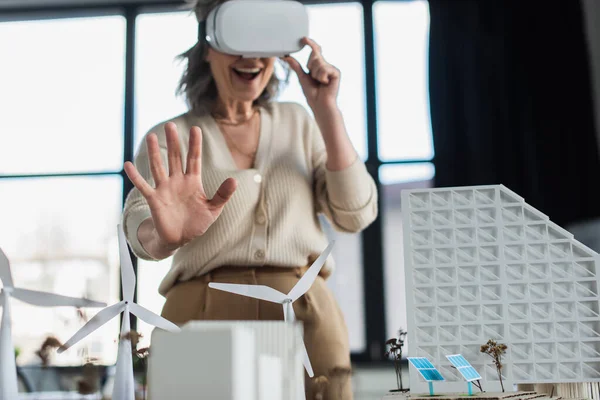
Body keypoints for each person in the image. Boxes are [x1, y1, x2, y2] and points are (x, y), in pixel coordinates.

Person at [121, 0, 378, 398]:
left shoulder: (299, 122)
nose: (250, 56)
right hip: (200, 317)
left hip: (305, 315)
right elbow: (141, 227)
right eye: (237, 37)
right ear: (207, 44)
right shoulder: (170, 136)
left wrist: (326, 111)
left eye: (262, 39)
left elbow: (355, 214)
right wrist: (163, 236)